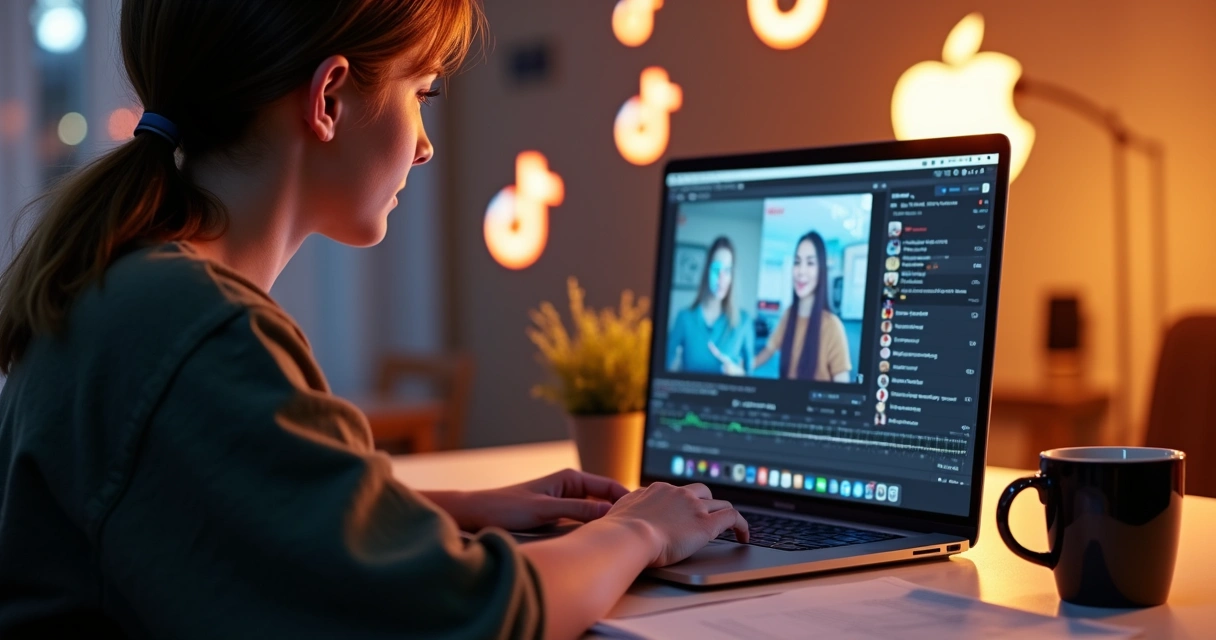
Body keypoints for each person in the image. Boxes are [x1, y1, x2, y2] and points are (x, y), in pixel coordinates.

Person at [0, 2, 748, 638]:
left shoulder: (121, 282)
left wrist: (445, 511)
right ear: (328, 98)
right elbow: (461, 616)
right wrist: (640, 530)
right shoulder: (196, 329)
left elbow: (213, 523)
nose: (425, 145)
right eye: (420, 91)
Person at [754, 231, 852, 382]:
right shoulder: (789, 315)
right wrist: (742, 367)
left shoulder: (832, 327)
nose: (801, 271)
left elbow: (843, 388)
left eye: (810, 263)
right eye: (797, 262)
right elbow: (768, 350)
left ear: (821, 271)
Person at [666, 236, 754, 375]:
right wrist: (675, 367)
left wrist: (737, 373)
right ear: (706, 271)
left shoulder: (744, 321)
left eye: (727, 270)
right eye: (716, 269)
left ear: (732, 276)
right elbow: (665, 370)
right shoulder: (684, 318)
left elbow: (751, 377)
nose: (721, 278)